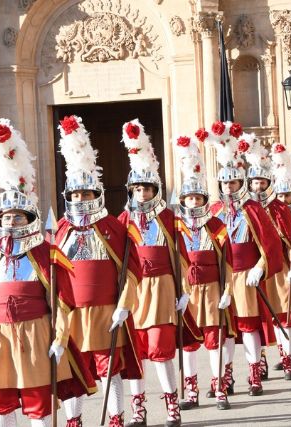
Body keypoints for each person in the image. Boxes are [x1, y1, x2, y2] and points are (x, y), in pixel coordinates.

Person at [0, 119, 95, 427]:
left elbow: (61, 300)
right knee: (0, 404)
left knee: (39, 402)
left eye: (17, 215)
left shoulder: (46, 254)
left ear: (29, 217)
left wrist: (60, 336)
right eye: (7, 216)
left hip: (35, 333)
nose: (11, 221)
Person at [55, 115, 143, 427]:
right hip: (72, 314)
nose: (80, 200)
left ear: (97, 195)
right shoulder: (61, 229)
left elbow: (132, 270)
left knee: (110, 369)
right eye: (75, 195)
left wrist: (124, 306)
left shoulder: (112, 227)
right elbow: (52, 275)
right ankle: (74, 420)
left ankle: (117, 418)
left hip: (106, 311)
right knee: (73, 371)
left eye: (86, 194)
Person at [118, 120, 200, 426]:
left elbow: (181, 255)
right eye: (137, 188)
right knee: (136, 354)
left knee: (162, 351)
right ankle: (139, 410)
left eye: (147, 187)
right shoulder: (122, 219)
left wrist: (184, 289)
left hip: (163, 288)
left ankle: (172, 407)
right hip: (134, 292)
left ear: (155, 189)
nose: (142, 193)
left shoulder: (168, 217)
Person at [206, 121, 283, 397]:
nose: (228, 187)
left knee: (248, 325)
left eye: (233, 182)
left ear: (241, 182)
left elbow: (270, 243)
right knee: (224, 330)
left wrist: (260, 267)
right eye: (224, 183)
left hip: (245, 275)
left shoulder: (253, 208)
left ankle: (254, 374)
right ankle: (224, 376)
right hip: (220, 278)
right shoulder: (213, 210)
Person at [174, 133, 234, 410]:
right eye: (189, 198)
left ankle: (219, 387)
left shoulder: (215, 226)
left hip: (211, 289)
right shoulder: (175, 229)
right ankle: (191, 391)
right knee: (188, 343)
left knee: (214, 338)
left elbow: (229, 262)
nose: (193, 203)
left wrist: (227, 291)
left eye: (198, 198)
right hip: (186, 292)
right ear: (183, 200)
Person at [245, 140, 291, 381]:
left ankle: (287, 358)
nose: (258, 186)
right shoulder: (245, 209)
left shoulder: (280, 208)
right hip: (255, 271)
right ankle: (259, 363)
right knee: (257, 320)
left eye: (262, 182)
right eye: (254, 182)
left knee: (285, 317)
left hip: (279, 269)